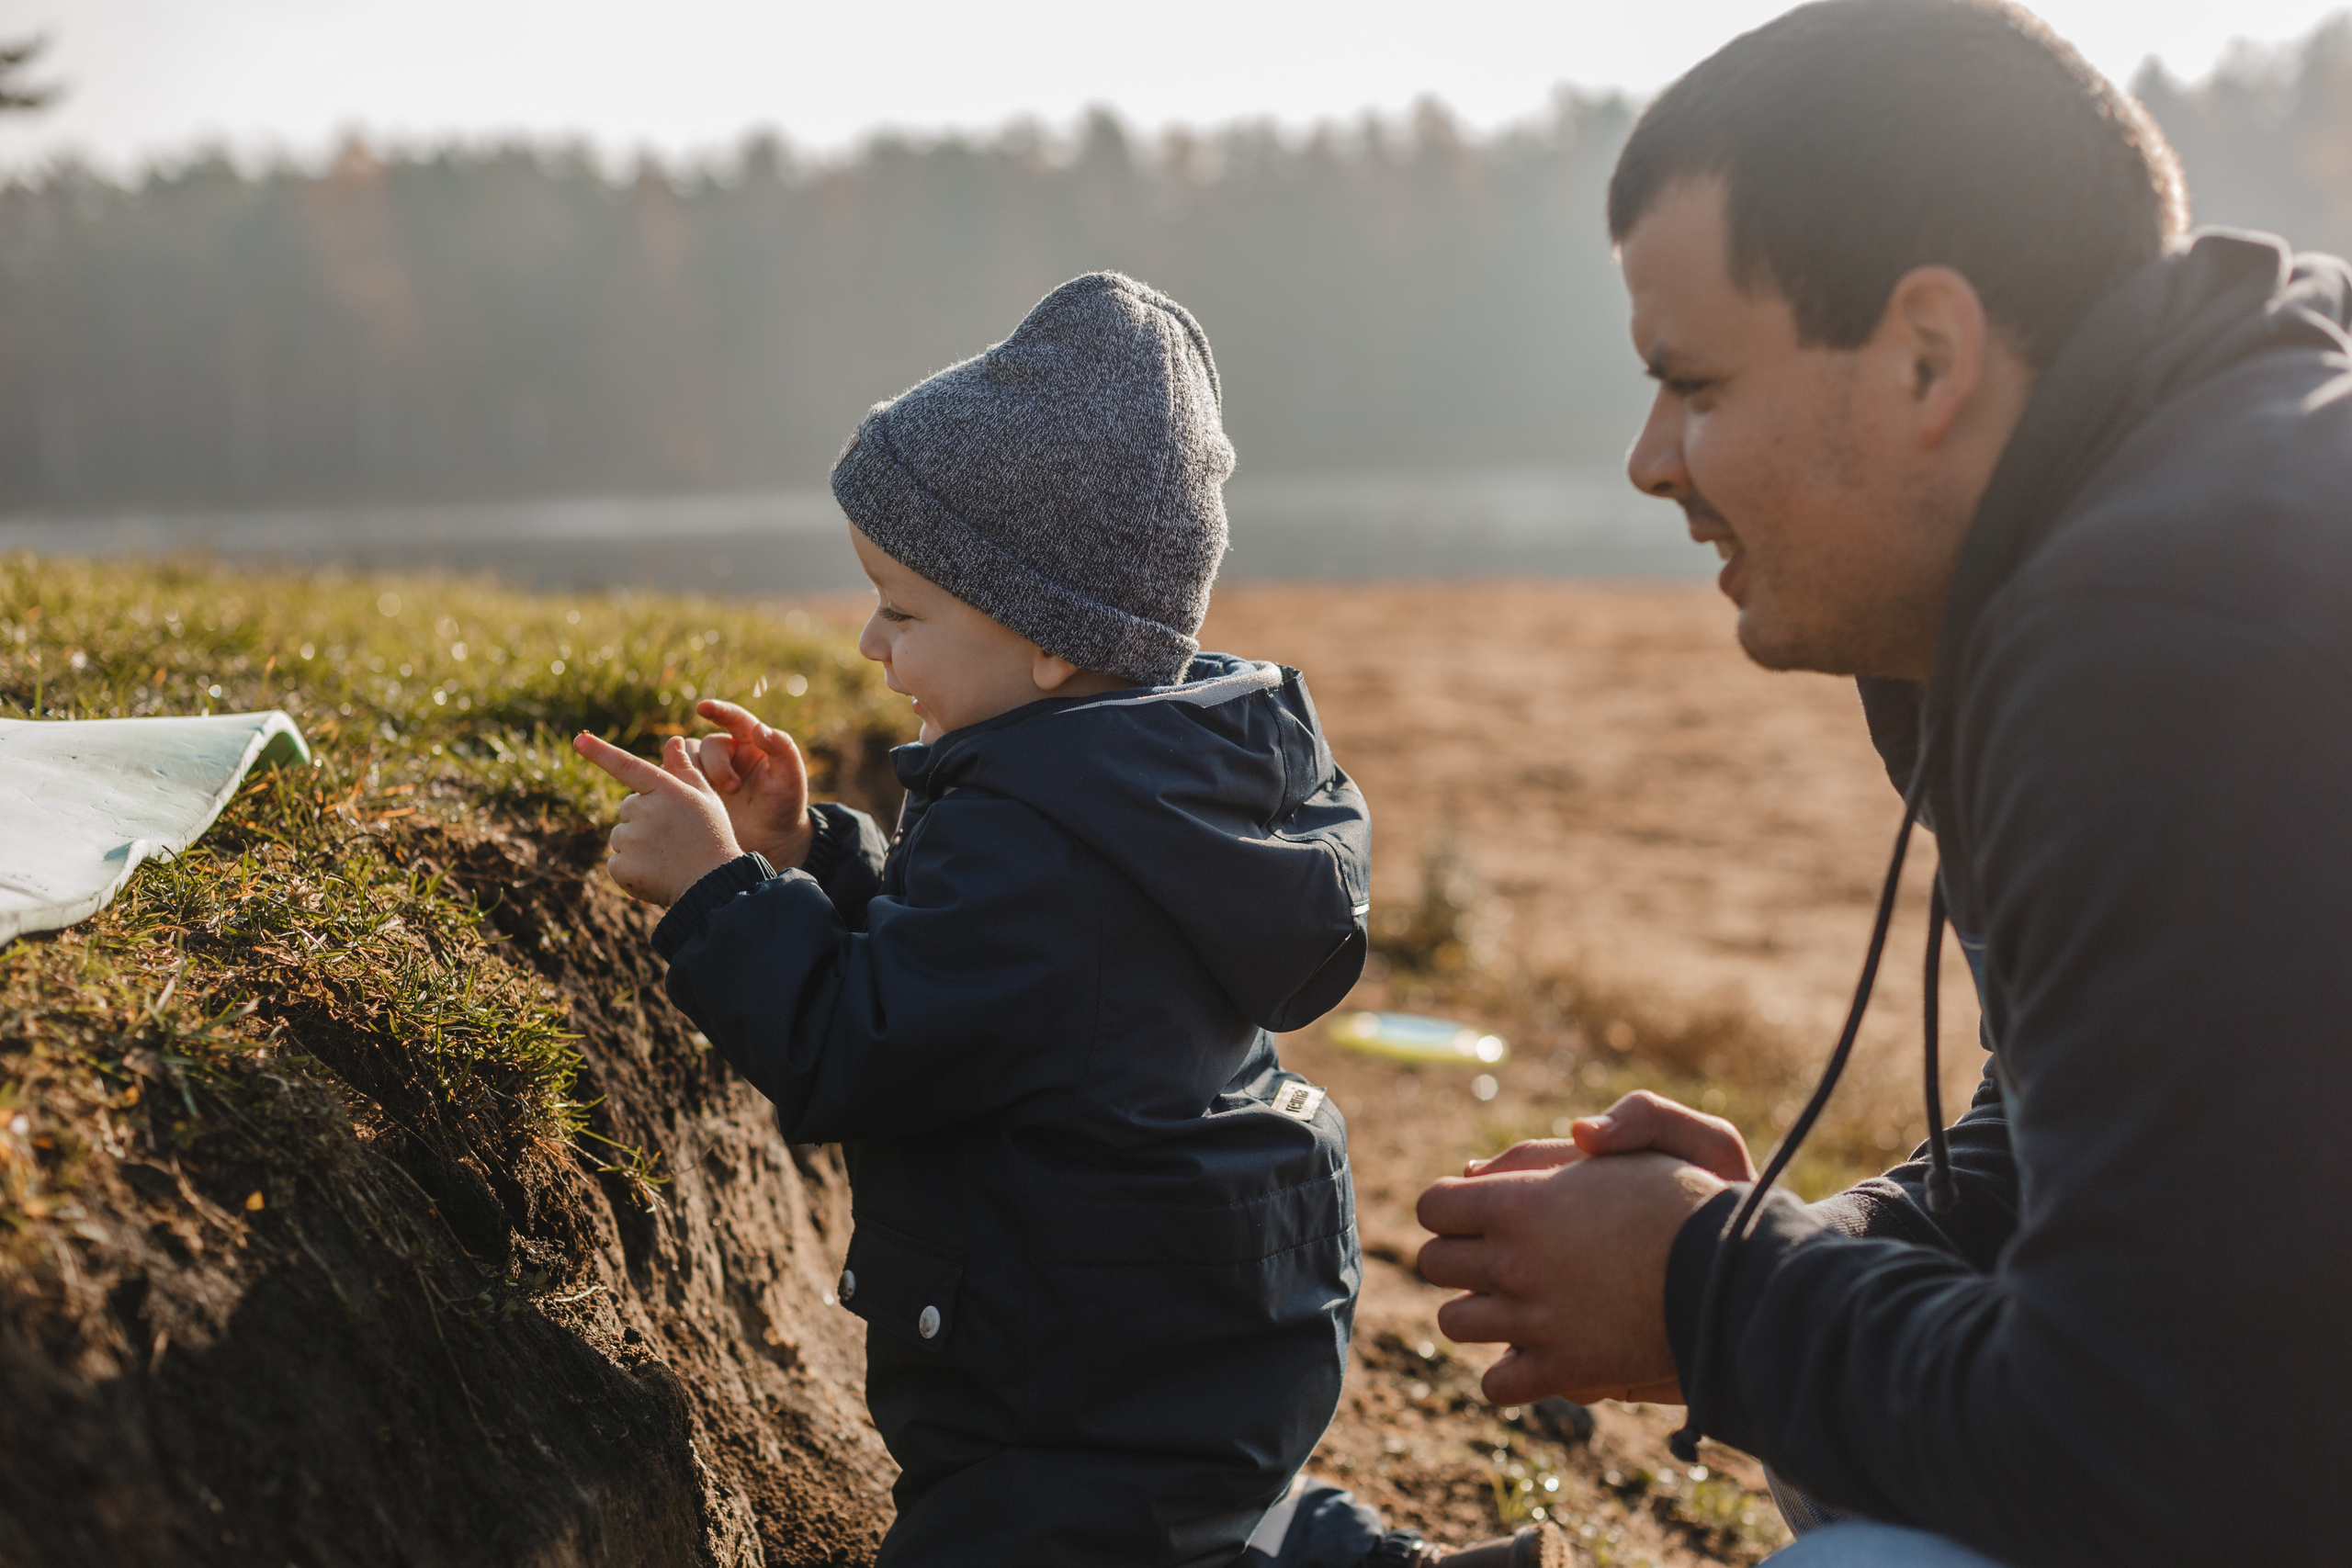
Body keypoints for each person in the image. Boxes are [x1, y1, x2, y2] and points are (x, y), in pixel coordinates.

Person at [1412, 3, 2352, 1565]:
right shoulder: (2165, 489)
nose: (1652, 461)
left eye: (1694, 385)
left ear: (1930, 354)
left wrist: (1708, 1288)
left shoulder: (2172, 642)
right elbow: (2120, 1125)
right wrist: (1819, 1245)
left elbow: (2150, 1454)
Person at [574, 273, 1557, 1567]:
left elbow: (862, 1045)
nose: (871, 642)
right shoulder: (1139, 783)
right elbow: (973, 974)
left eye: (904, 609)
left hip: (1072, 1372)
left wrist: (716, 894)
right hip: (1194, 1321)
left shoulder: (1040, 835)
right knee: (1189, 1519)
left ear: (1048, 640)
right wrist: (807, 854)